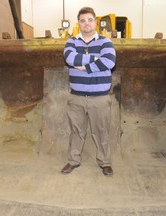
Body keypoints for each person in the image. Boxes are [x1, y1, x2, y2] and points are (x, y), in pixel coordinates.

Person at [61, 7, 116, 176]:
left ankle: (105, 162)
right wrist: (95, 60)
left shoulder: (106, 42)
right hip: (76, 97)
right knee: (77, 131)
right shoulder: (71, 42)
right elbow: (70, 58)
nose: (86, 23)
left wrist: (82, 66)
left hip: (99, 98)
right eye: (83, 20)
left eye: (90, 19)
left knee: (101, 132)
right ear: (79, 23)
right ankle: (73, 160)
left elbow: (109, 61)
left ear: (95, 22)